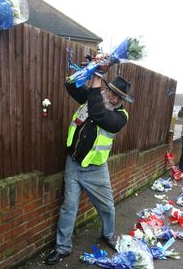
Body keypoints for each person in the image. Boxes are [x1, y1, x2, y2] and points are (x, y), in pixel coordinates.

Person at [45, 72, 134, 265]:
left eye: (120, 97)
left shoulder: (120, 115)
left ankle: (108, 234)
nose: (115, 98)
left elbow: (98, 114)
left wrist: (96, 83)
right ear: (107, 89)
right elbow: (70, 85)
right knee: (69, 207)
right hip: (73, 164)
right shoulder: (91, 97)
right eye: (113, 93)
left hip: (96, 170)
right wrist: (88, 72)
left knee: (107, 206)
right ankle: (62, 248)